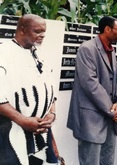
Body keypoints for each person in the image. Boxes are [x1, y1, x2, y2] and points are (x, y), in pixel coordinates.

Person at [0, 14, 58, 165]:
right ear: (22, 30)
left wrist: (51, 113)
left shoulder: (40, 54)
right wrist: (23, 120)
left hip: (39, 131)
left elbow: (50, 90)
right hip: (12, 130)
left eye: (44, 31)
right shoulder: (4, 53)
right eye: (37, 31)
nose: (42, 35)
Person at [67, 16, 117, 165]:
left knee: (107, 161)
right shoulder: (87, 48)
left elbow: (116, 80)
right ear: (107, 29)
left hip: (109, 119)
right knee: (90, 162)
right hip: (91, 119)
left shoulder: (112, 50)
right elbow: (89, 83)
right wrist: (112, 111)